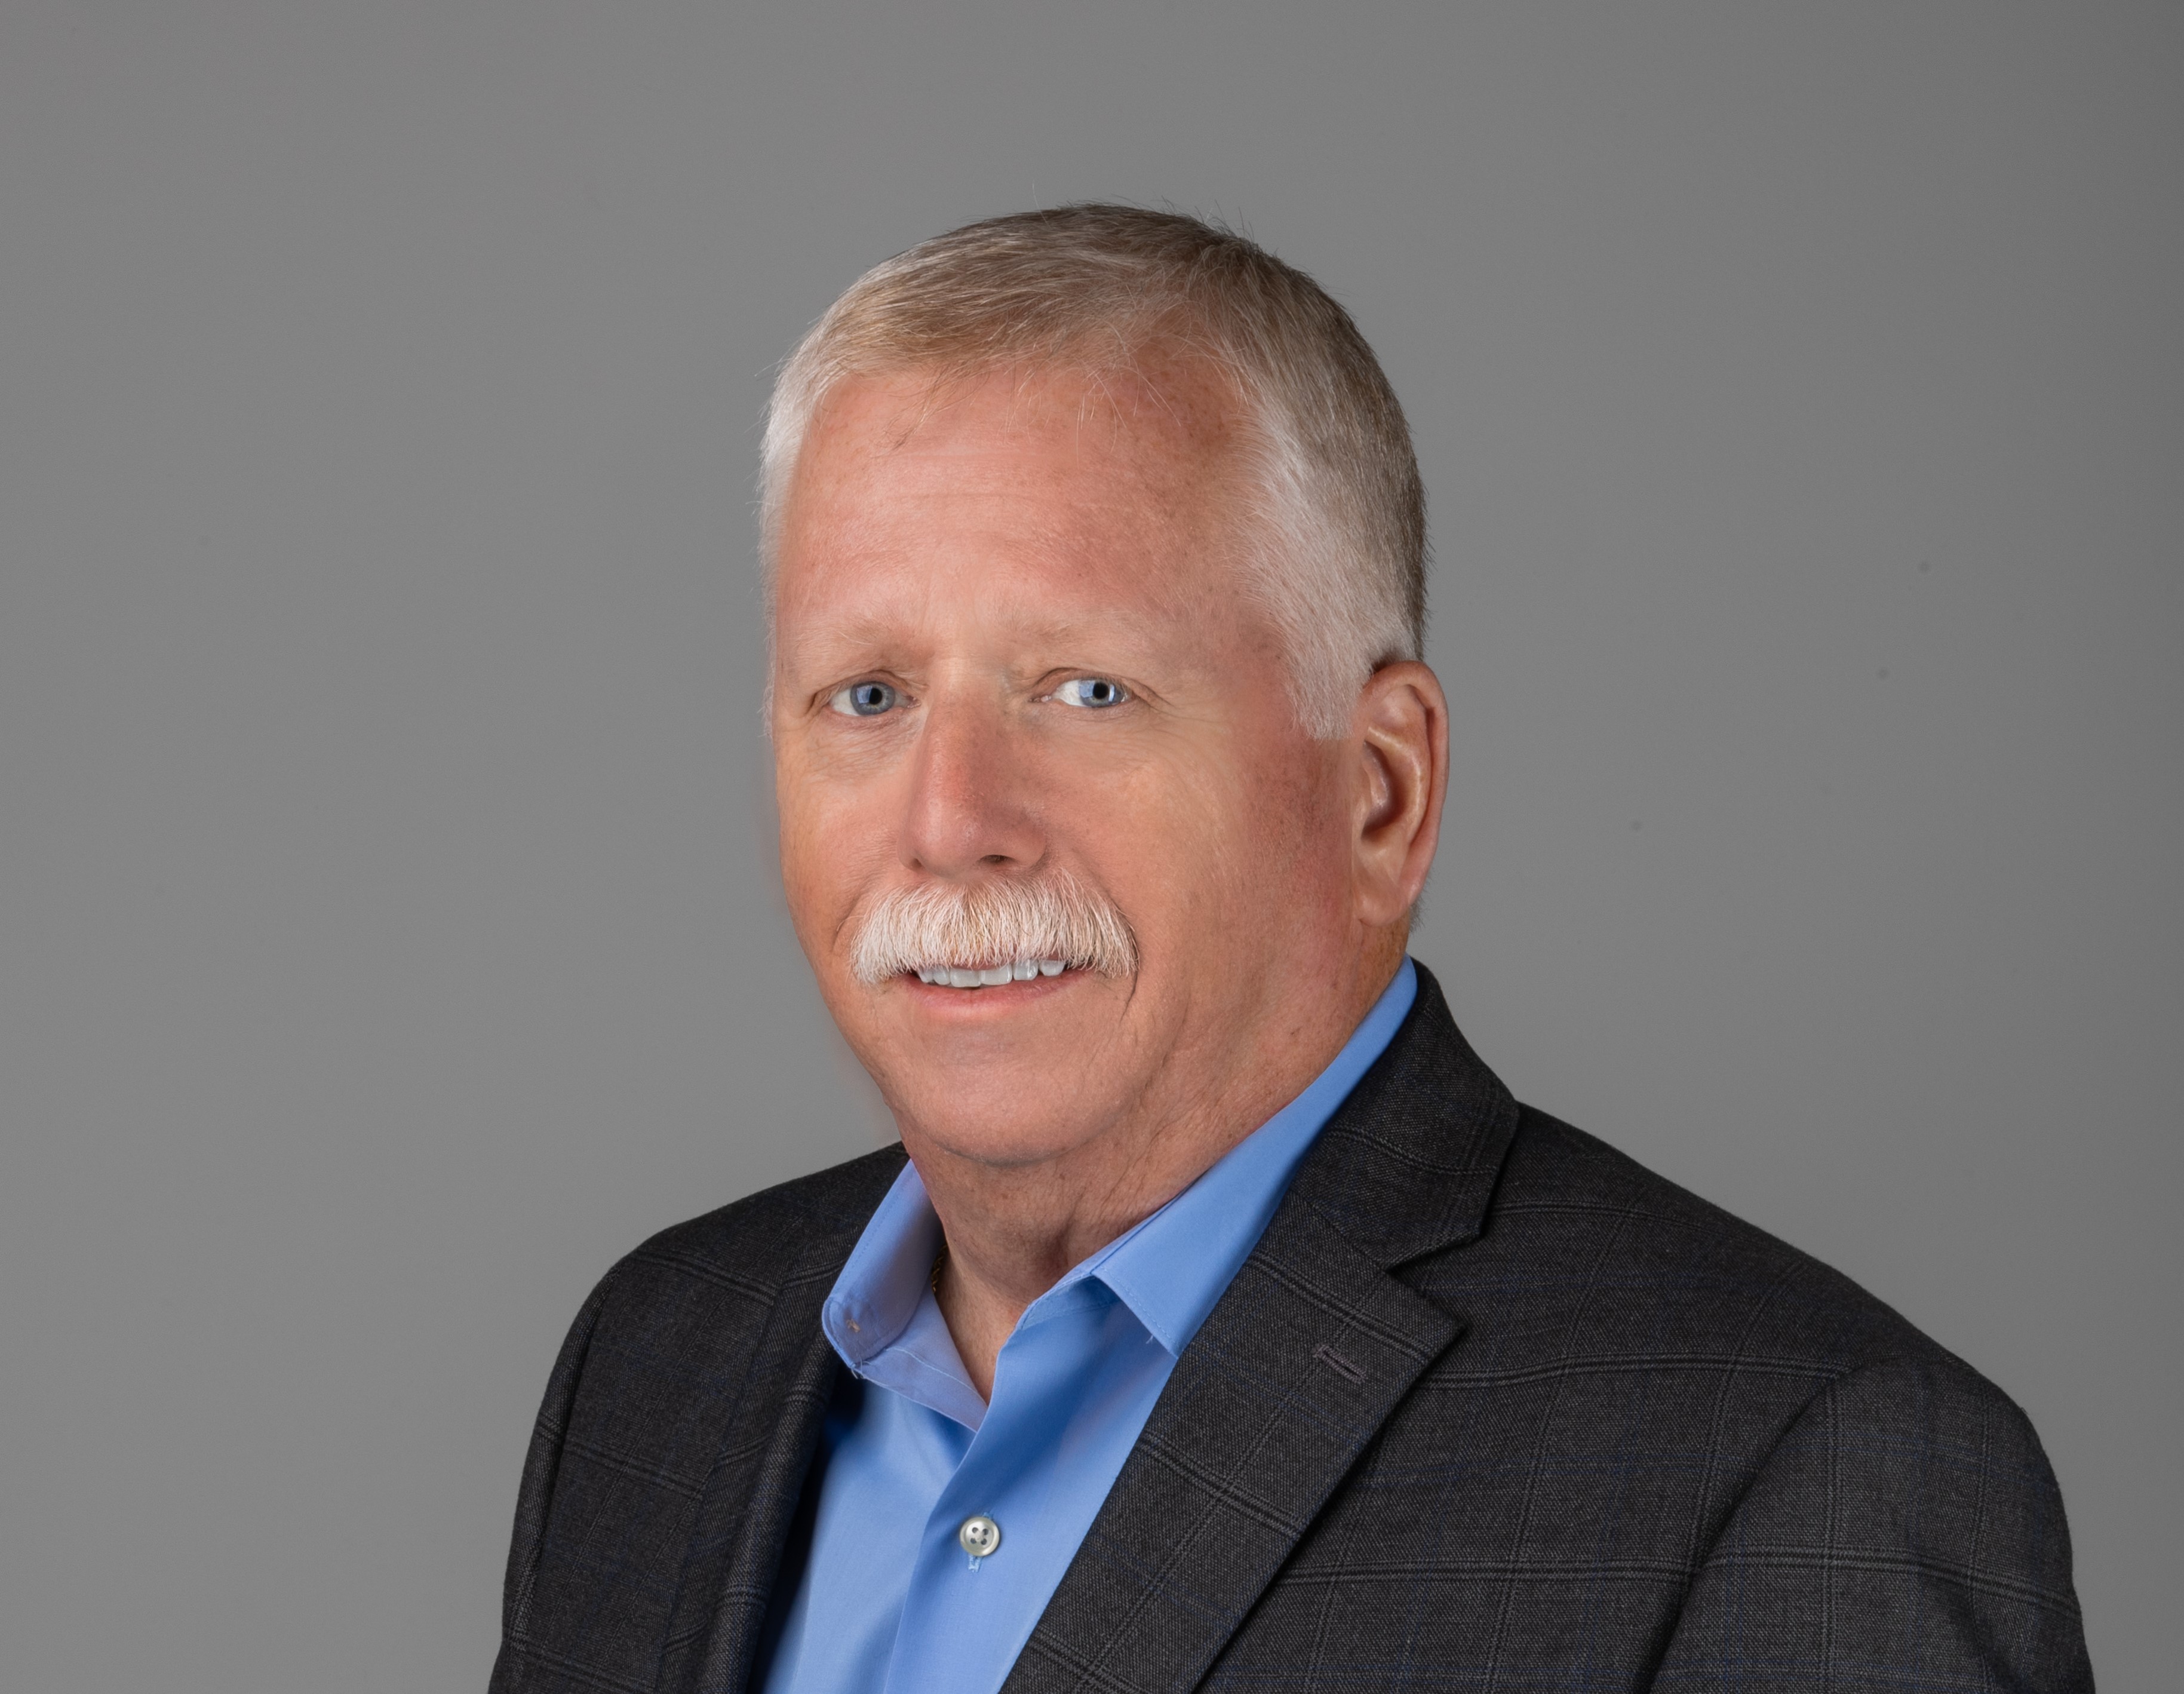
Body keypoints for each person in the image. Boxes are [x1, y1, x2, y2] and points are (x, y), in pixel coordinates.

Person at [488, 206, 2091, 1694]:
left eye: (1086, 690)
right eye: (868, 696)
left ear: (1380, 789)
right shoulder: (657, 1368)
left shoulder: (1796, 1471)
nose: (951, 817)